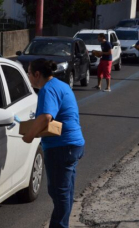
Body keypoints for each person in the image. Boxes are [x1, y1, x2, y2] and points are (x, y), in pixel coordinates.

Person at [22, 58, 85, 228]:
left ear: (37, 74)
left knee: (59, 193)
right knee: (66, 192)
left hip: (61, 147)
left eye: (28, 73)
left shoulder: (47, 90)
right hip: (74, 145)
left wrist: (29, 135)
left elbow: (46, 117)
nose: (28, 76)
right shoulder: (61, 85)